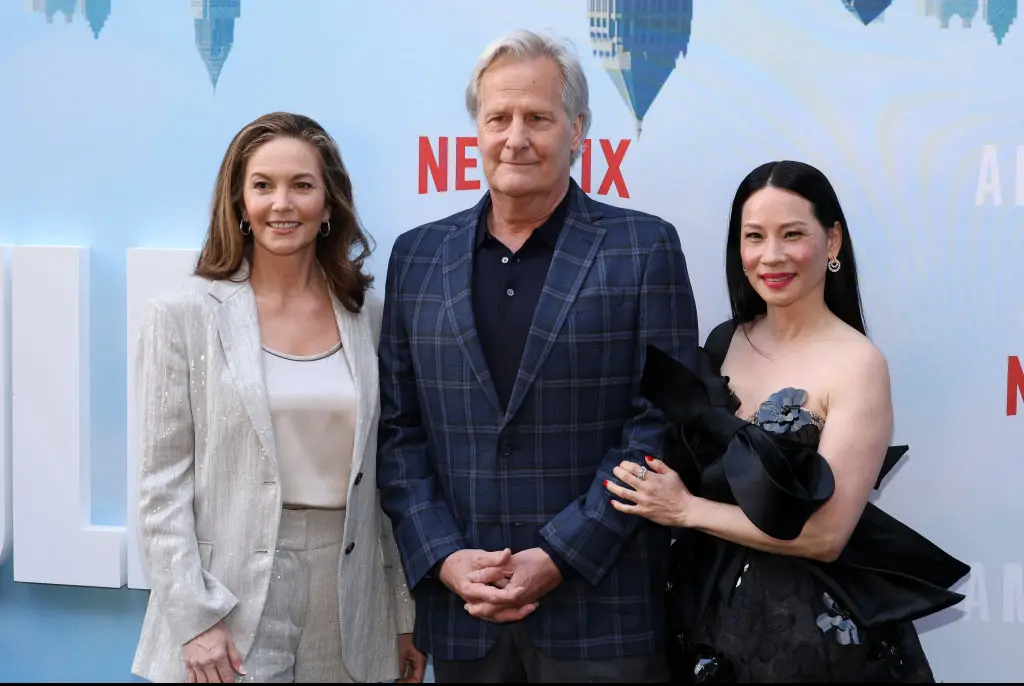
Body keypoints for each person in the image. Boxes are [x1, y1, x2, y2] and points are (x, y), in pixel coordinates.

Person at [376, 29, 699, 684]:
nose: (515, 137)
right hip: (467, 618)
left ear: (577, 129)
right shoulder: (416, 258)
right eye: (498, 117)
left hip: (601, 615)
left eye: (538, 118)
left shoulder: (643, 250)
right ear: (477, 128)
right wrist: (443, 558)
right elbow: (400, 434)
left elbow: (661, 425)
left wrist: (558, 555)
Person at [605, 160, 970, 682]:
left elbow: (826, 535)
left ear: (832, 240)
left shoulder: (857, 364)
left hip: (808, 641)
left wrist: (686, 510)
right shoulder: (723, 341)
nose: (770, 256)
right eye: (754, 237)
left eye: (792, 234)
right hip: (700, 623)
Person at [131, 112, 426, 684]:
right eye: (263, 185)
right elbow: (160, 487)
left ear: (329, 203)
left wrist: (400, 612)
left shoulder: (371, 316)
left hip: (349, 594)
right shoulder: (184, 314)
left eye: (302, 185)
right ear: (239, 202)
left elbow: (386, 476)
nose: (282, 204)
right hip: (228, 597)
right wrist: (195, 619)